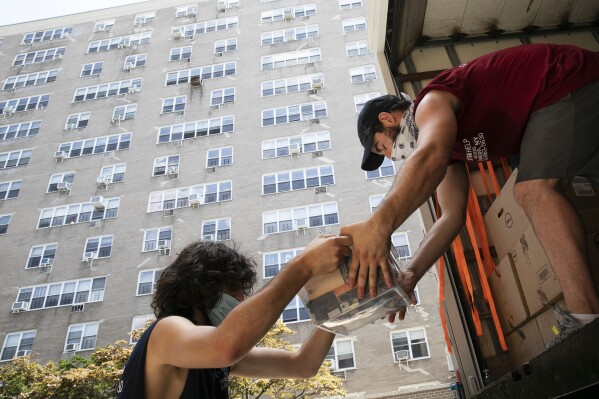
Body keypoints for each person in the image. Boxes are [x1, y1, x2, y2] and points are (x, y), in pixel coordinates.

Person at [340, 43, 599, 345]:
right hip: (560, 101)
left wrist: (378, 226)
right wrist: (410, 274)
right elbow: (451, 215)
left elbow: (430, 156)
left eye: (381, 147)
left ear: (387, 119)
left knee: (532, 190)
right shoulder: (450, 150)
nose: (389, 157)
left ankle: (586, 321)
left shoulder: (430, 104)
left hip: (564, 81)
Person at [117, 235, 352, 399]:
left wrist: (335, 301)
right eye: (232, 288)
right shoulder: (167, 331)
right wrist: (305, 265)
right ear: (200, 287)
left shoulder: (209, 358)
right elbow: (226, 346)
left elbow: (303, 365)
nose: (241, 299)